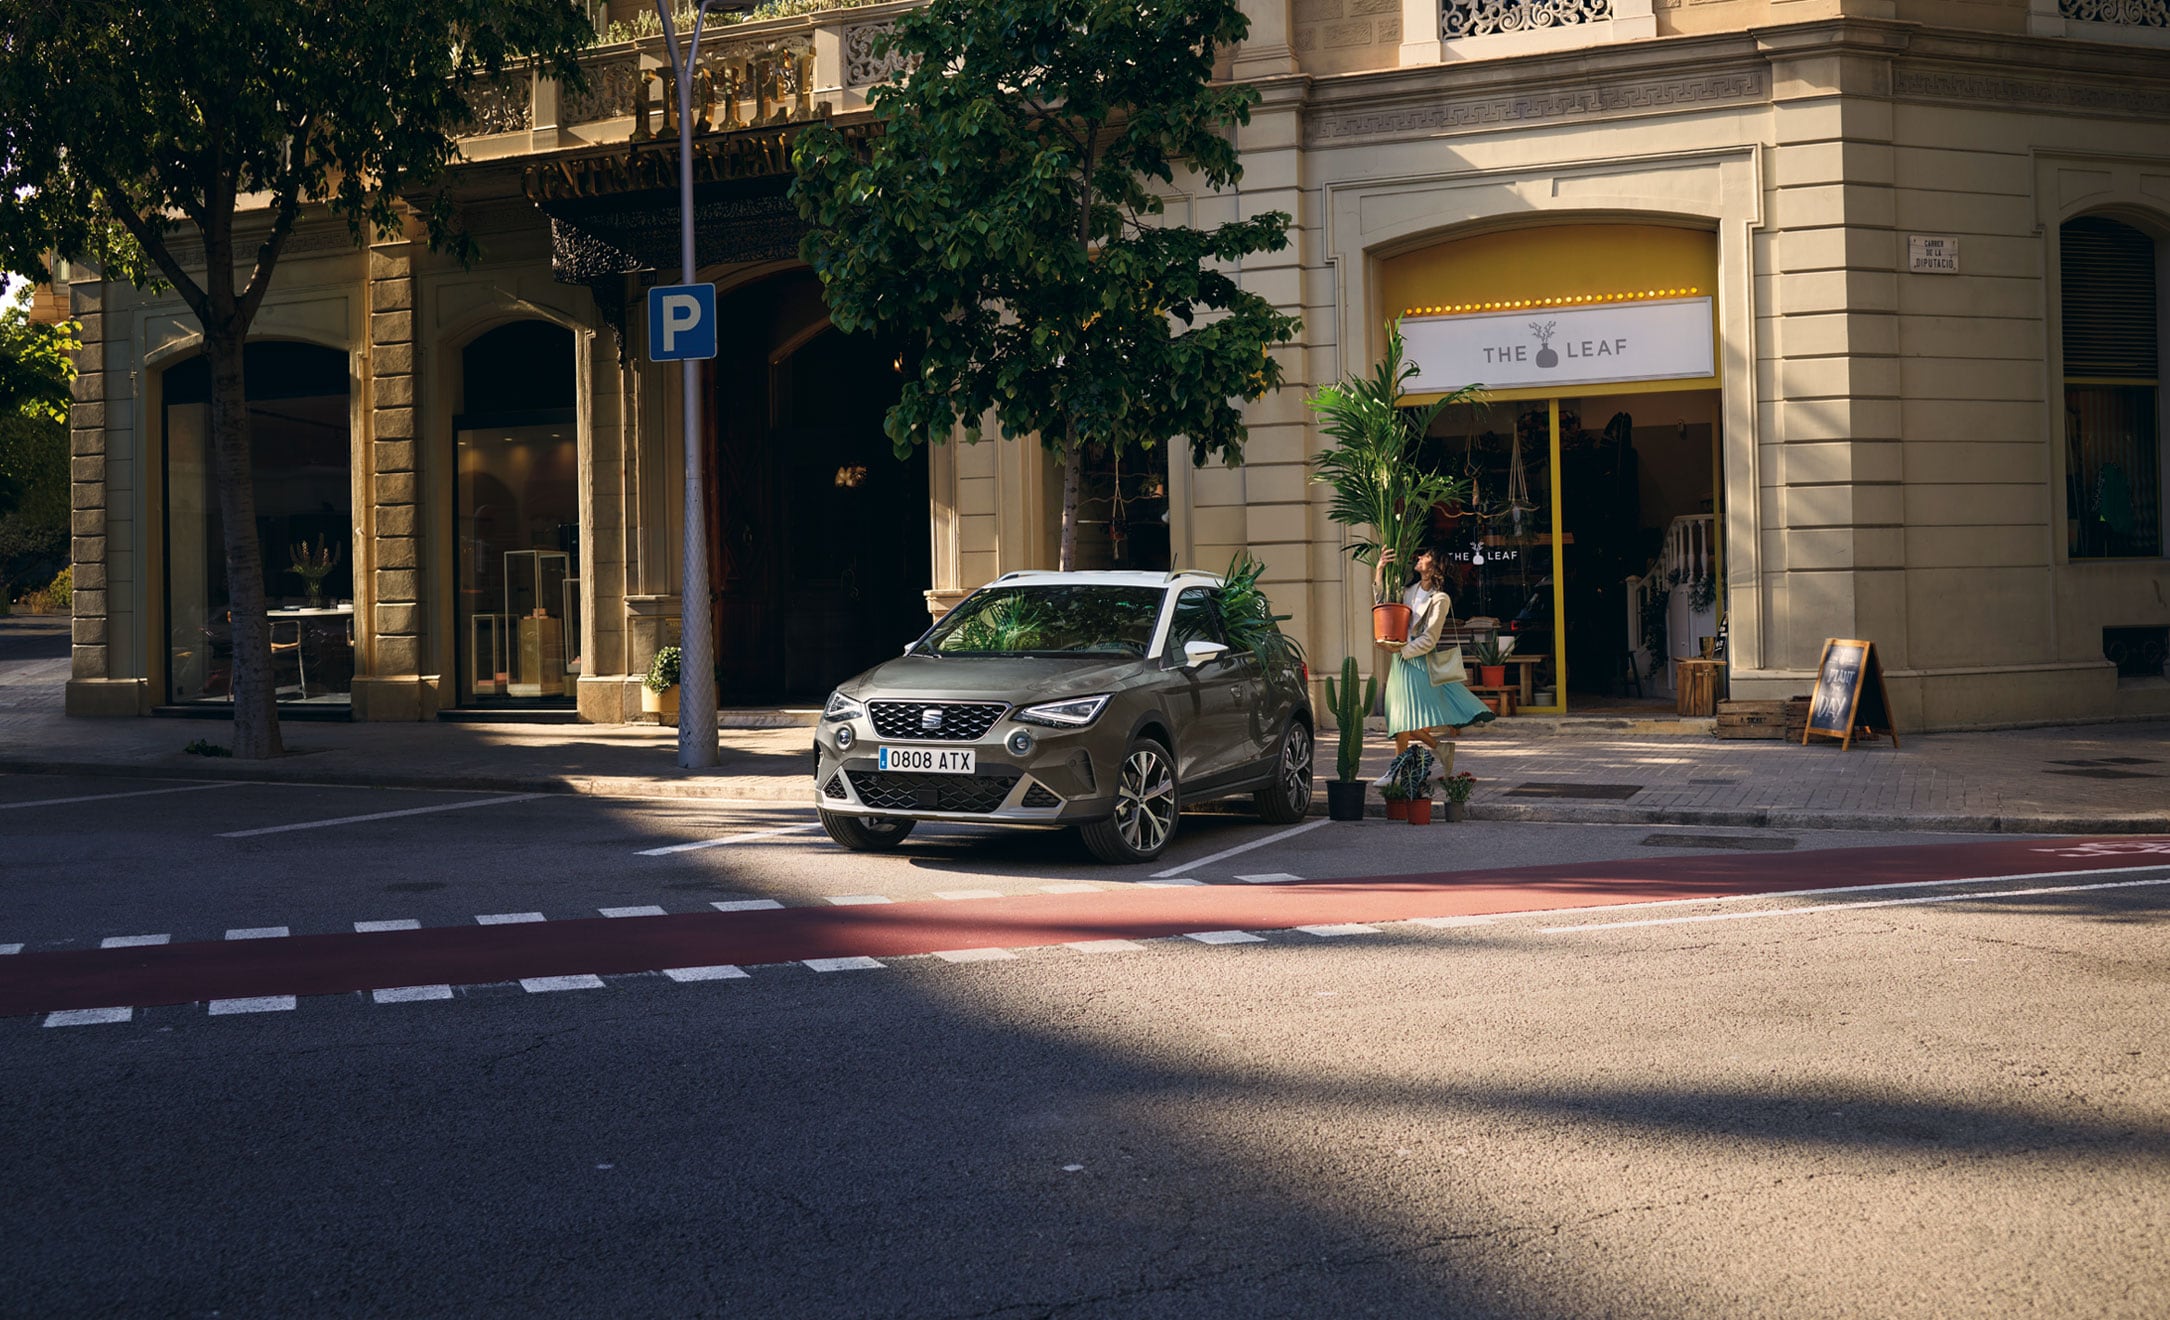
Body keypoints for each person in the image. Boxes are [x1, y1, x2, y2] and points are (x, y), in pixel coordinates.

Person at [1380, 546, 1493, 781]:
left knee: (1404, 719)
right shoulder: (1408, 591)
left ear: (1434, 568)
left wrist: (1402, 651)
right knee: (1400, 718)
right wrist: (1380, 570)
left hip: (1416, 661)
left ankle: (1395, 772)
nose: (1419, 558)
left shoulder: (1440, 599)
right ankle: (1437, 748)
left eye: (1426, 556)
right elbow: (1384, 607)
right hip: (1399, 661)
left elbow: (1430, 639)